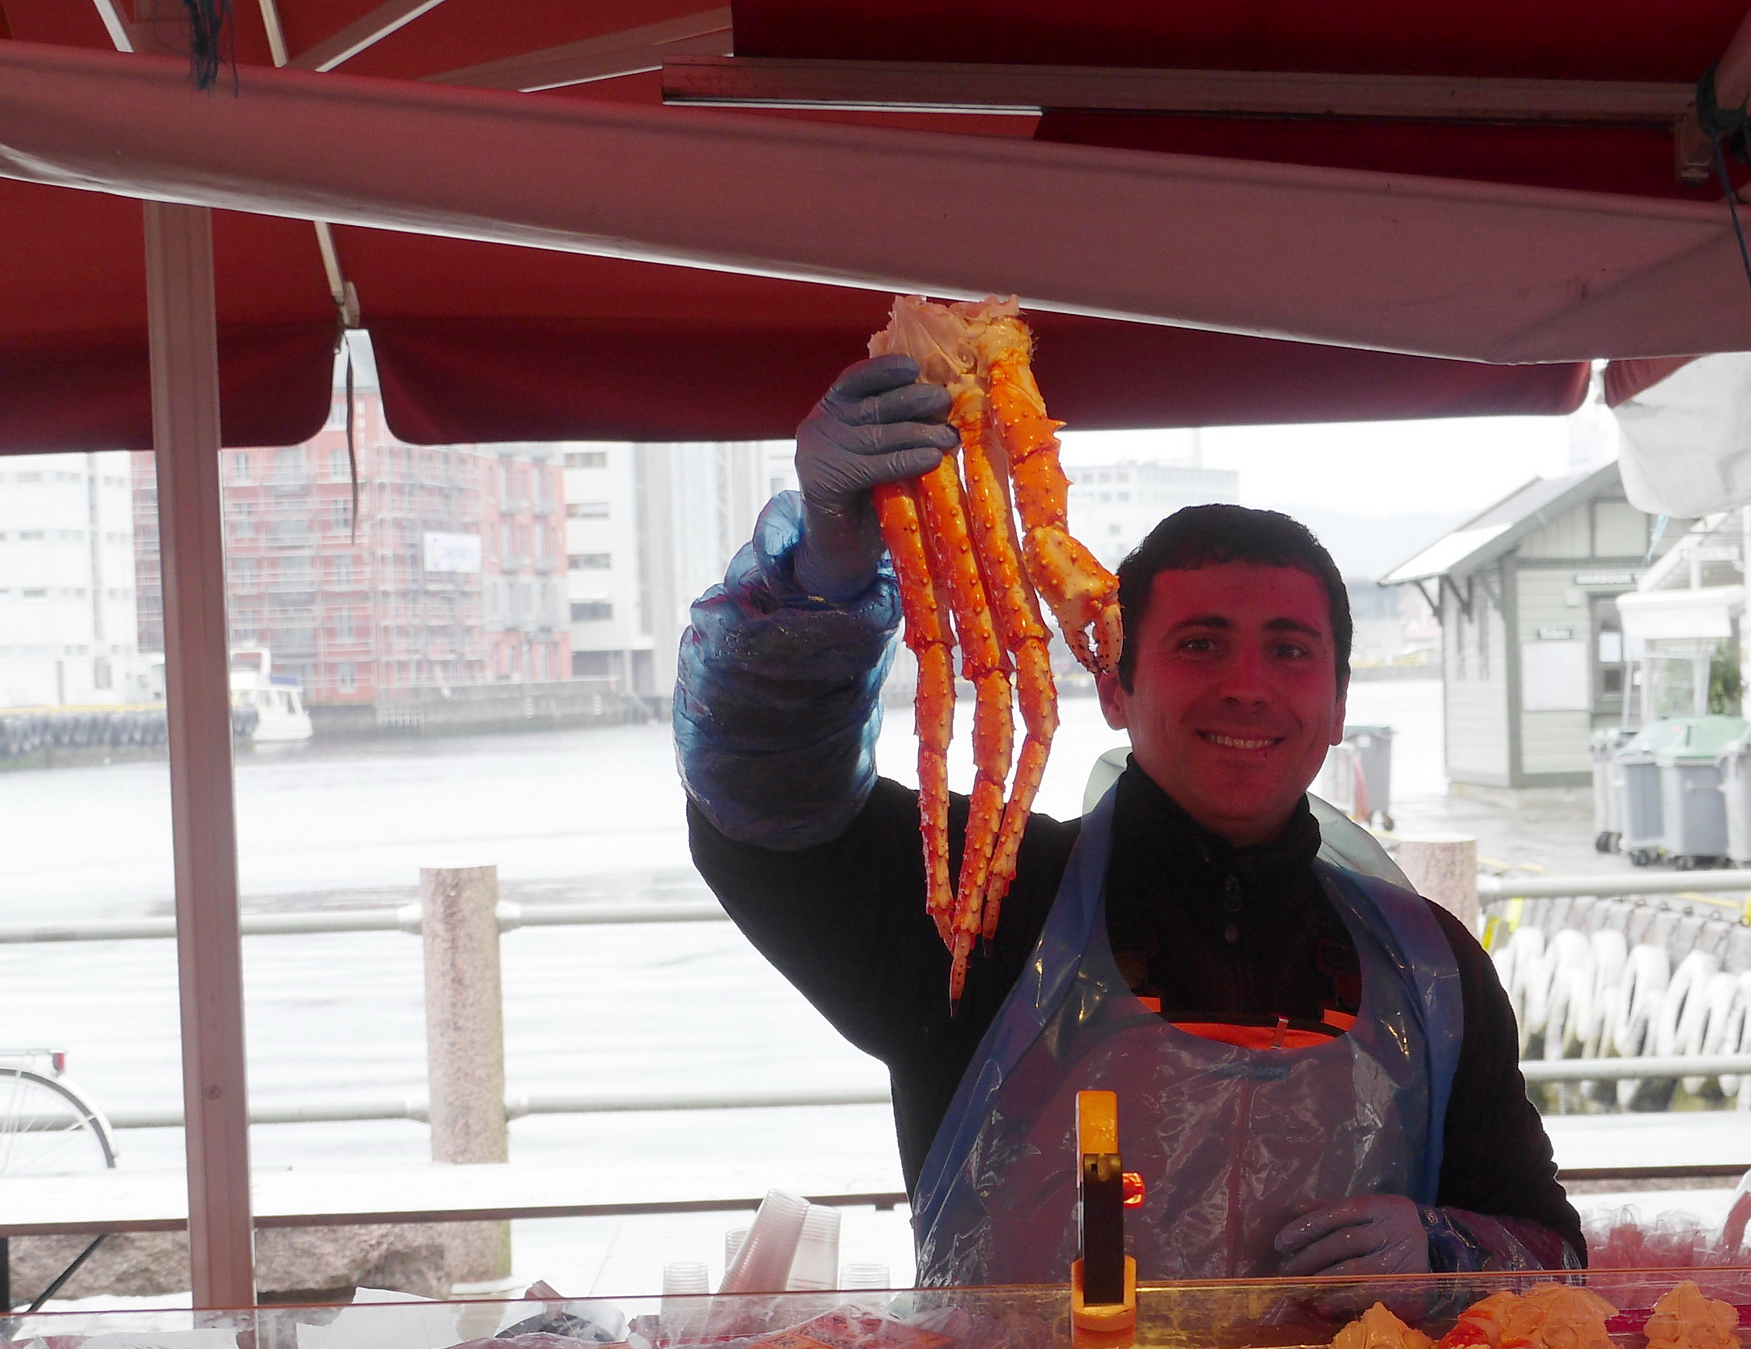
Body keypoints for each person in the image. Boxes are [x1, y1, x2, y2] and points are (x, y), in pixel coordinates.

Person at [676, 354, 1584, 1287]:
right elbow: (759, 797)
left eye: (1289, 651)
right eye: (1201, 644)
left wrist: (1446, 1253)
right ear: (1114, 687)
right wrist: (827, 563)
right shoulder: (975, 907)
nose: (1247, 686)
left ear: (1340, 701)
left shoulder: (1432, 970)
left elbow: (1555, 1253)